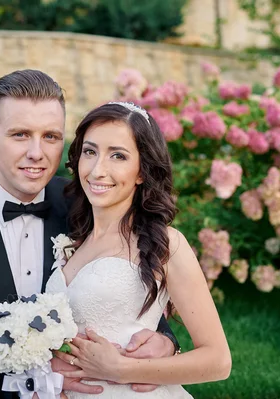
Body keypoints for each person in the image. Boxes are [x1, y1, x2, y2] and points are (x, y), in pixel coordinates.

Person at [0, 70, 179, 399]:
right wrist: (34, 381)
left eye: (51, 136)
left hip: (94, 384)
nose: (37, 152)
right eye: (20, 135)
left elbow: (130, 278)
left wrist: (164, 340)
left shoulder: (87, 201)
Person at [49, 102, 232, 398]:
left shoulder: (167, 244)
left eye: (118, 156)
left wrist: (120, 369)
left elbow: (218, 361)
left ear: (141, 172)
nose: (98, 170)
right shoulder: (73, 244)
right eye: (90, 151)